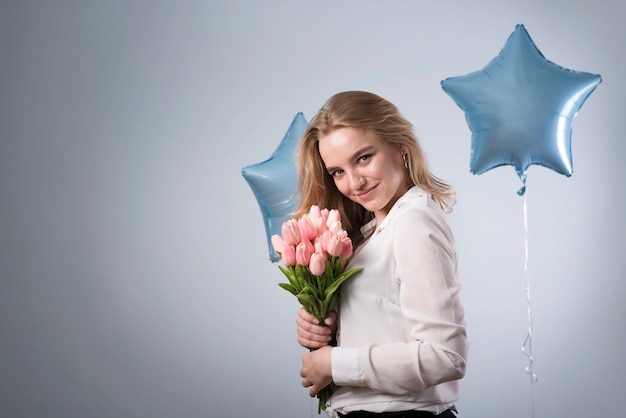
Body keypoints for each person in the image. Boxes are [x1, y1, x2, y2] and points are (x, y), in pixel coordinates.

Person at [293, 91, 469, 418]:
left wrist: (335, 363)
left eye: (363, 158)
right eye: (337, 172)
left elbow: (446, 356)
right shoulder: (370, 232)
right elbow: (382, 321)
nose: (354, 183)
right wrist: (322, 327)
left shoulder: (414, 223)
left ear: (399, 144)